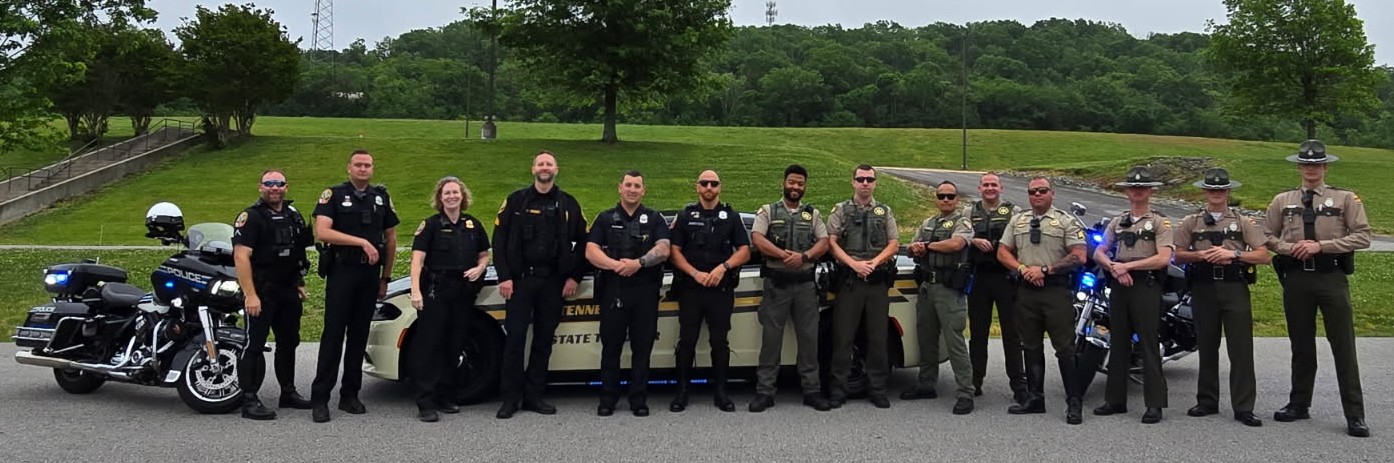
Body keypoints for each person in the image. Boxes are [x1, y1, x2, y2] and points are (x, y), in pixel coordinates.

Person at [1264, 140, 1371, 438]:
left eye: (1317, 164)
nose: (1311, 169)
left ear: (1325, 167)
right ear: (1299, 167)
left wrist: (1321, 246)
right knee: (1301, 344)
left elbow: (1363, 236)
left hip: (1331, 277)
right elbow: (1267, 236)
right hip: (1297, 278)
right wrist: (1289, 247)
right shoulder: (1282, 200)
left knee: (1343, 346)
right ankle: (1299, 404)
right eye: (1306, 164)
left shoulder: (1346, 199)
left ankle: (1355, 414)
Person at [492, 150, 587, 419]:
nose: (545, 168)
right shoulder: (516, 201)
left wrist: (574, 277)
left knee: (544, 341)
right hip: (520, 282)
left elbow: (584, 242)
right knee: (515, 341)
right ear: (533, 168)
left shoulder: (568, 204)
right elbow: (498, 239)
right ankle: (510, 398)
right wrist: (504, 276)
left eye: (549, 164)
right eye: (540, 163)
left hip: (553, 283)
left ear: (557, 169)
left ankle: (535, 396)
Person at [309, 150, 399, 423]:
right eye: (358, 164)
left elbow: (391, 239)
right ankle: (320, 398)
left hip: (369, 275)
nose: (363, 169)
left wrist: (386, 277)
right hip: (342, 271)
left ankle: (350, 395)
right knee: (333, 335)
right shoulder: (333, 195)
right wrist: (360, 242)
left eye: (367, 165)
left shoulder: (381, 197)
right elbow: (322, 232)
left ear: (372, 169)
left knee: (359, 336)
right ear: (349, 167)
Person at [1174, 168, 1267, 428]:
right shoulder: (1191, 222)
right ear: (1205, 191)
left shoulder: (1242, 222)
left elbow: (1263, 256)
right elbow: (1178, 254)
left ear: (1228, 192)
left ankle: (1244, 406)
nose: (1216, 194)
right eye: (1211, 189)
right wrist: (1200, 256)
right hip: (1203, 287)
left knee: (1241, 349)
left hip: (1233, 286)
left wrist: (1233, 255)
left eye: (1221, 190)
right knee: (1207, 345)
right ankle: (1206, 400)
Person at [996, 176, 1088, 425]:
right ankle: (1035, 398)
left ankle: (1074, 402)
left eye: (1042, 191)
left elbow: (1079, 255)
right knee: (1030, 345)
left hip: (1055, 292)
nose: (1037, 195)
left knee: (1065, 349)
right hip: (1026, 291)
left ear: (1052, 193)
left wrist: (1046, 270)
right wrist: (1024, 268)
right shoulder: (1018, 220)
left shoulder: (1066, 221)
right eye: (1032, 191)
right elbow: (1002, 251)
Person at [1091, 166, 1175, 424]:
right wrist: (1114, 268)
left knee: (1148, 342)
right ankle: (1115, 400)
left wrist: (1127, 266)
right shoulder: (1118, 221)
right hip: (1119, 284)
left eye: (1142, 187)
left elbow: (1163, 258)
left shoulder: (1160, 222)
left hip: (1145, 284)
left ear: (1150, 191)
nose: (1137, 191)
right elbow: (1099, 251)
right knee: (1118, 342)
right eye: (1133, 187)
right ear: (1127, 191)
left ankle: (1154, 404)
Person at [585, 170, 671, 417]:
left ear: (643, 191)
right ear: (619, 188)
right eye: (628, 185)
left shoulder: (655, 219)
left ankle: (638, 399)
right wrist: (616, 266)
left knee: (642, 348)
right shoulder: (604, 218)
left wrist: (638, 263)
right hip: (614, 289)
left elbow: (664, 249)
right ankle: (608, 398)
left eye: (637, 186)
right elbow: (590, 251)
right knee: (610, 347)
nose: (632, 189)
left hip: (645, 290)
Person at [748, 164, 832, 412]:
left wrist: (804, 257)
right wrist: (785, 256)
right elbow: (758, 239)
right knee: (771, 340)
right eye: (792, 182)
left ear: (805, 187)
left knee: (809, 339)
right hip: (777, 285)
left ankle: (812, 391)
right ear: (783, 183)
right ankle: (765, 392)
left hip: (805, 286)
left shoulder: (812, 214)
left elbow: (824, 241)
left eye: (800, 184)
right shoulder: (767, 211)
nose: (795, 187)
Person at [231, 169, 314, 420]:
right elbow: (240, 256)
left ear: (286, 187)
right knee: (254, 344)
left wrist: (298, 281)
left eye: (279, 184)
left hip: (287, 289)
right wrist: (250, 294)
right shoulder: (251, 217)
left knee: (289, 342)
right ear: (260, 187)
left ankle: (288, 392)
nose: (274, 188)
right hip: (261, 291)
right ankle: (248, 399)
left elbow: (297, 250)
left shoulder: (293, 214)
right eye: (269, 184)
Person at [406, 177, 490, 422]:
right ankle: (425, 402)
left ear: (463, 196)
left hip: (463, 293)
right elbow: (417, 260)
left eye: (456, 192)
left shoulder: (473, 224)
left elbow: (484, 255)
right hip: (436, 292)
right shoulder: (430, 225)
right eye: (447, 193)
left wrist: (479, 268)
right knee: (430, 347)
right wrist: (416, 291)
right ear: (440, 198)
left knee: (454, 346)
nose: (452, 196)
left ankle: (445, 396)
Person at [667, 170, 751, 413]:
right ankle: (682, 392)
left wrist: (722, 268)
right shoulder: (685, 216)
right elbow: (674, 251)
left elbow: (744, 250)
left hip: (720, 288)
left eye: (714, 183)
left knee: (720, 341)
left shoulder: (731, 217)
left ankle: (721, 392)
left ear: (720, 187)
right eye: (704, 183)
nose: (709, 187)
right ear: (697, 187)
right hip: (691, 288)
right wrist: (695, 273)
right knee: (687, 341)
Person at [826, 164, 900, 409]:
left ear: (875, 183)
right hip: (849, 282)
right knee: (842, 338)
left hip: (876, 283)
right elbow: (831, 242)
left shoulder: (884, 211)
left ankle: (877, 389)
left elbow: (894, 243)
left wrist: (874, 262)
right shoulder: (841, 210)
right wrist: (853, 264)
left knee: (877, 338)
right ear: (853, 182)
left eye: (870, 179)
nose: (865, 183)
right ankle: (838, 389)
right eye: (861, 179)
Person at [902, 181, 975, 415]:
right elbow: (913, 246)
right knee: (926, 338)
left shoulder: (962, 222)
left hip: (949, 289)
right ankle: (926, 384)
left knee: (954, 341)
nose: (945, 200)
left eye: (950, 196)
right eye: (941, 196)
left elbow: (956, 244)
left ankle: (965, 392)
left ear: (956, 199)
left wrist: (927, 246)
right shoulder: (928, 223)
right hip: (927, 287)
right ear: (936, 198)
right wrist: (915, 249)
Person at [965, 172, 1025, 401]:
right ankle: (975, 380)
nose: (990, 188)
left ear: (1002, 188)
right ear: (979, 188)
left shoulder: (1014, 212)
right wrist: (973, 240)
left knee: (1012, 333)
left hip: (1005, 278)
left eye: (994, 184)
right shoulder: (969, 212)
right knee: (978, 333)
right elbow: (960, 235)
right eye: (986, 184)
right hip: (979, 278)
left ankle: (1018, 384)